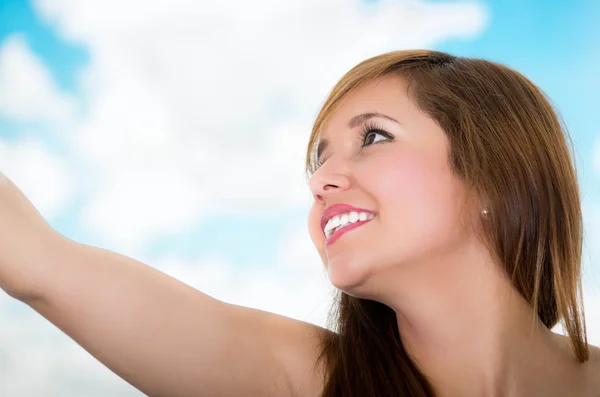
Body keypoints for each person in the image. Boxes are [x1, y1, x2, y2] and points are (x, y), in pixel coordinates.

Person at [0, 49, 598, 397]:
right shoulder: (301, 380)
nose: (321, 180)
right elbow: (39, 267)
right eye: (318, 159)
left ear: (496, 172)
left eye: (373, 136)